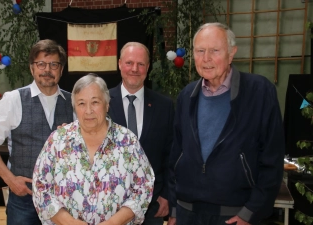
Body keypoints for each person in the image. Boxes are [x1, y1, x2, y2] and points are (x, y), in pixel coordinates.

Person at [167, 22, 285, 225]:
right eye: (200, 51)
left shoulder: (259, 92)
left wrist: (250, 212)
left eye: (215, 51)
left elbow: (272, 161)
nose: (206, 59)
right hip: (187, 214)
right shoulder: (186, 96)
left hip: (235, 216)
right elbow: (175, 156)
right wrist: (175, 210)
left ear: (232, 54)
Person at [32, 74, 155, 225]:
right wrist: (69, 222)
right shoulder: (57, 141)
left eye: (95, 102)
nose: (88, 110)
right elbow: (41, 188)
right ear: (75, 107)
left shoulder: (128, 141)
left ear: (107, 104)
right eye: (81, 103)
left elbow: (143, 188)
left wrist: (112, 223)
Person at [0, 39, 74, 225]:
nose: (47, 70)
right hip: (24, 201)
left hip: (65, 201)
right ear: (32, 68)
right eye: (41, 64)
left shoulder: (75, 102)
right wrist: (10, 180)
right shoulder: (13, 100)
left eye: (54, 64)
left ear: (61, 70)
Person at [108, 42, 174, 225]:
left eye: (141, 64)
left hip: (152, 205)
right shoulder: (101, 103)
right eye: (129, 63)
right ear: (120, 64)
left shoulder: (165, 106)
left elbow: (171, 156)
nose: (134, 69)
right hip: (110, 206)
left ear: (148, 67)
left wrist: (167, 195)